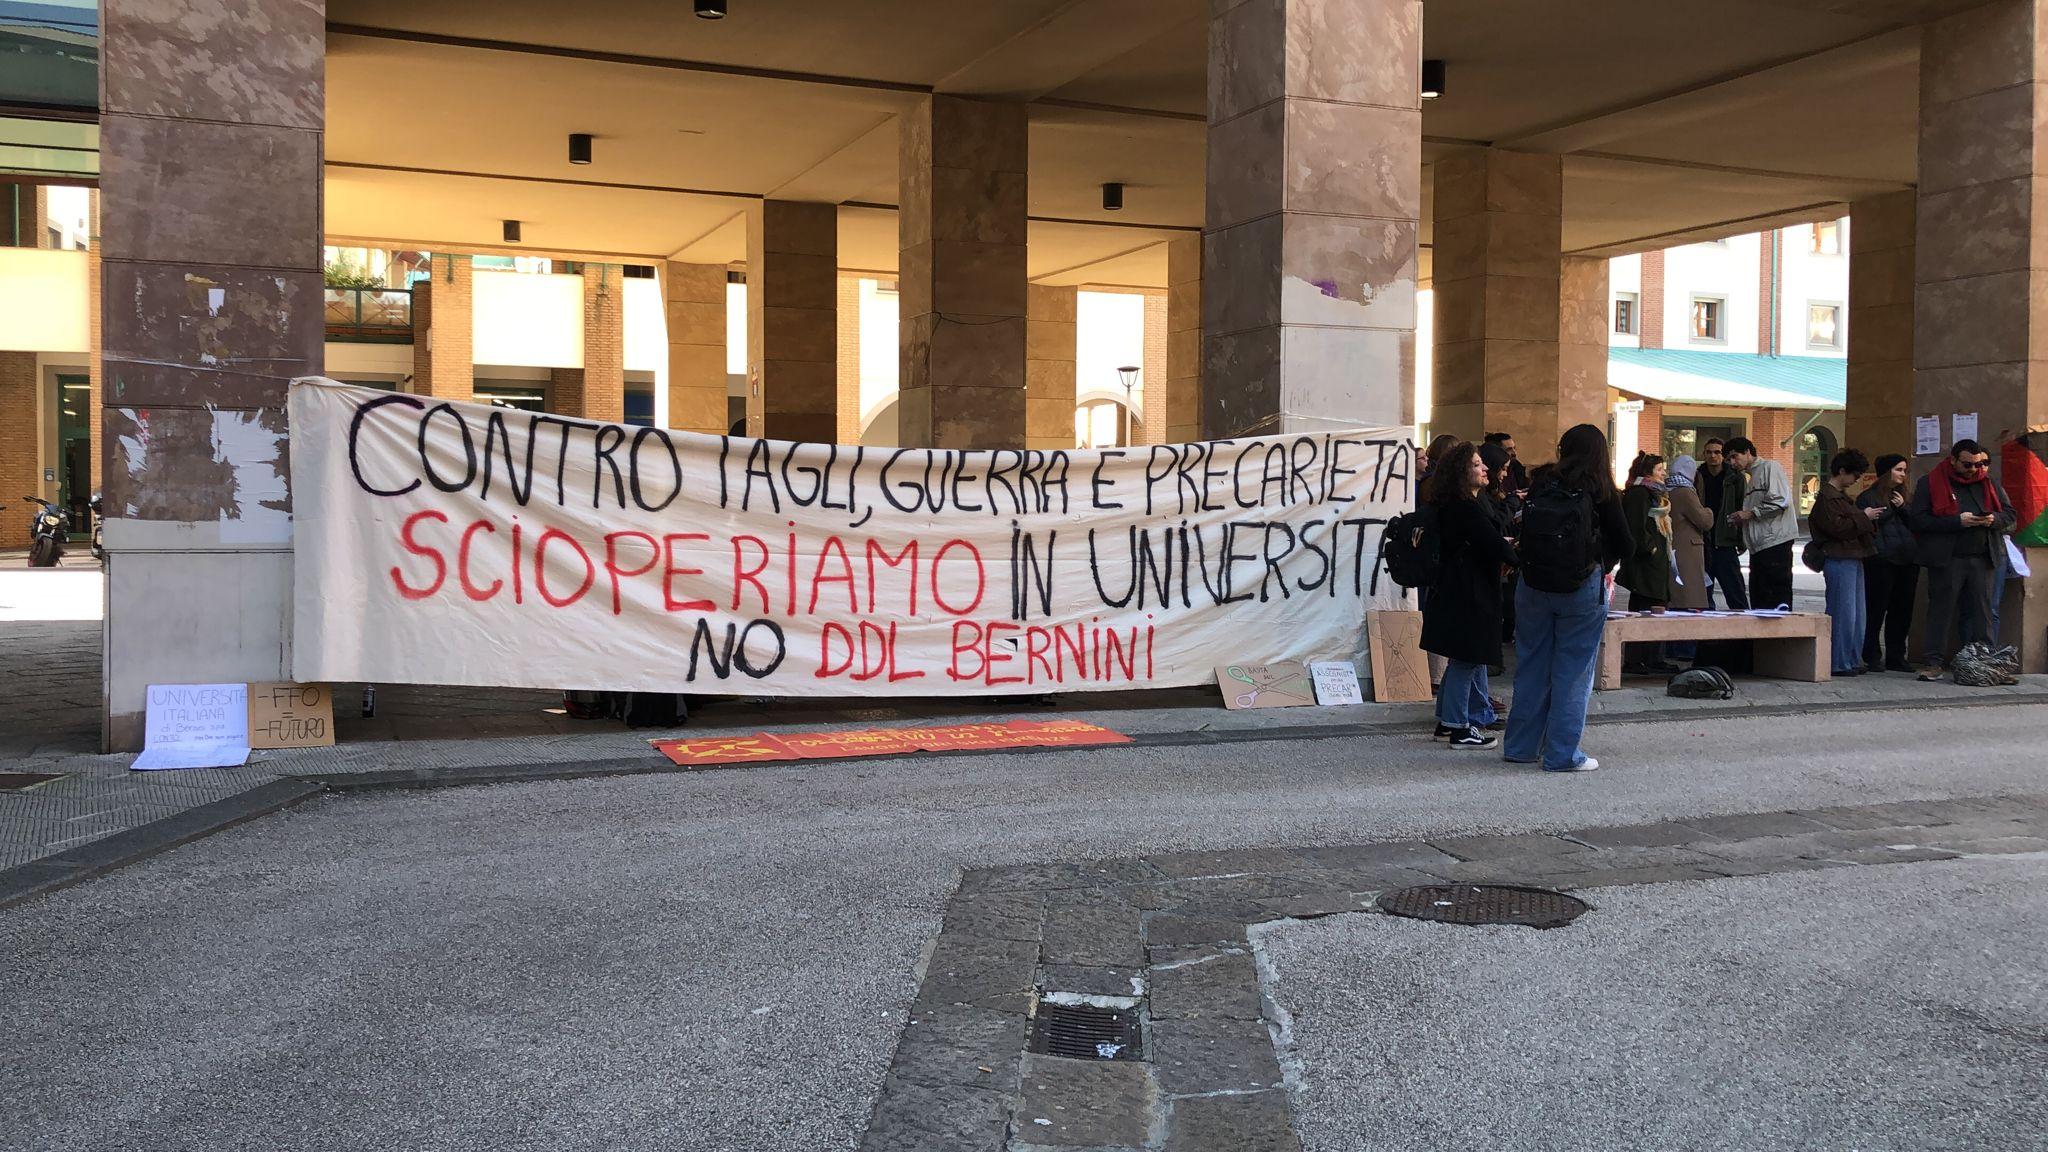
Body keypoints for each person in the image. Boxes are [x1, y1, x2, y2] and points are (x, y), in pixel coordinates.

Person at [1504, 423, 1633, 773]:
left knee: (1531, 665)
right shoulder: (1601, 488)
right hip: (1580, 587)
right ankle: (1562, 754)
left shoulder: (1543, 482)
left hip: (1532, 584)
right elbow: (1626, 543)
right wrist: (1600, 562)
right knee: (1573, 671)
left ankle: (1520, 746)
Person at [1421, 443, 1518, 749]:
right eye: (1477, 464)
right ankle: (1457, 726)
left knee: (1463, 658)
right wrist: (1523, 558)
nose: (1485, 469)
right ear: (1463, 473)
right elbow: (1491, 543)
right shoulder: (1464, 507)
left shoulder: (1451, 504)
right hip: (1468, 593)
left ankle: (1448, 721)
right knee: (1467, 657)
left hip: (1455, 590)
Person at [1909, 439, 2017, 678]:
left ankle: (1986, 663)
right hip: (1948, 558)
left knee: (1984, 612)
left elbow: (2009, 513)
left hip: (1983, 557)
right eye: (1967, 464)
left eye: (1978, 465)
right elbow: (1918, 520)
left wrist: (1992, 520)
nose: (1973, 470)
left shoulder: (1988, 483)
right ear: (1953, 460)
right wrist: (1957, 522)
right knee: (1941, 610)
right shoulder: (1930, 483)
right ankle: (1933, 662)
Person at [1807, 448, 1880, 676]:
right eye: (1854, 475)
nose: (1856, 479)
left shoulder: (1838, 498)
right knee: (1843, 612)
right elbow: (1837, 528)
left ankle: (1851, 658)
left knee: (1856, 614)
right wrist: (1864, 516)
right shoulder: (1827, 498)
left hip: (1851, 556)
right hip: (1839, 557)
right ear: (1842, 471)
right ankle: (1839, 661)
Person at [1615, 452, 1677, 674]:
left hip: (1656, 561)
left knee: (1658, 605)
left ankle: (1653, 656)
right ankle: (1636, 659)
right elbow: (1635, 525)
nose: (1664, 474)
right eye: (1660, 469)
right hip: (1646, 563)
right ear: (1648, 471)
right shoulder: (1639, 493)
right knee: (1643, 607)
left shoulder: (1654, 493)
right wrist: (1649, 547)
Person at [1857, 454, 1919, 672]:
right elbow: (1866, 525)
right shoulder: (1868, 497)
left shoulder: (1906, 497)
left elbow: (1917, 523)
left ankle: (1896, 655)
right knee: (1876, 609)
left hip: (1907, 560)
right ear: (1886, 472)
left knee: (1902, 611)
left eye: (1904, 470)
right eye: (1898, 469)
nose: (1902, 474)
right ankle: (1871, 654)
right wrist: (1889, 511)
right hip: (1881, 560)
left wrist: (1903, 507)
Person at [1725, 437, 1795, 611]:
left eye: (1735, 456)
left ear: (1748, 452)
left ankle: (1779, 636)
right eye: (1729, 460)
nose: (1733, 463)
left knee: (1776, 602)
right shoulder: (1752, 478)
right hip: (1759, 547)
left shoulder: (1770, 467)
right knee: (1760, 601)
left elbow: (1780, 501)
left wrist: (1749, 514)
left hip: (1775, 544)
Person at [1480, 440, 1522, 647]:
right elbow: (1494, 521)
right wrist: (1513, 503)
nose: (1505, 474)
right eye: (1503, 469)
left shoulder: (1492, 493)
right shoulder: (1478, 497)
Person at [1698, 438, 1749, 610]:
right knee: (1703, 597)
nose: (1713, 456)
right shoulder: (1697, 477)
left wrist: (1741, 540)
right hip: (1703, 544)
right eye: (1709, 452)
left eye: (1717, 452)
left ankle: (1742, 634)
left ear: (1724, 456)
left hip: (1725, 543)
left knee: (1736, 594)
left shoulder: (1736, 478)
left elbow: (1742, 507)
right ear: (1704, 454)